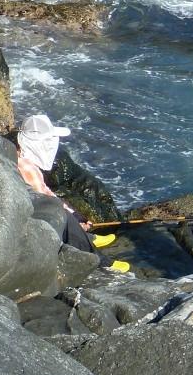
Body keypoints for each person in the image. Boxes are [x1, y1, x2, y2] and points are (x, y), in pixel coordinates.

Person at [15, 114, 129, 273]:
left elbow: (46, 192)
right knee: (66, 218)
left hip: (36, 208)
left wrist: (75, 215)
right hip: (35, 217)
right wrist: (73, 218)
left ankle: (88, 238)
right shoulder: (26, 167)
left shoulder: (23, 158)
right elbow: (46, 201)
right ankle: (99, 261)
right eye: (47, 141)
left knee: (69, 215)